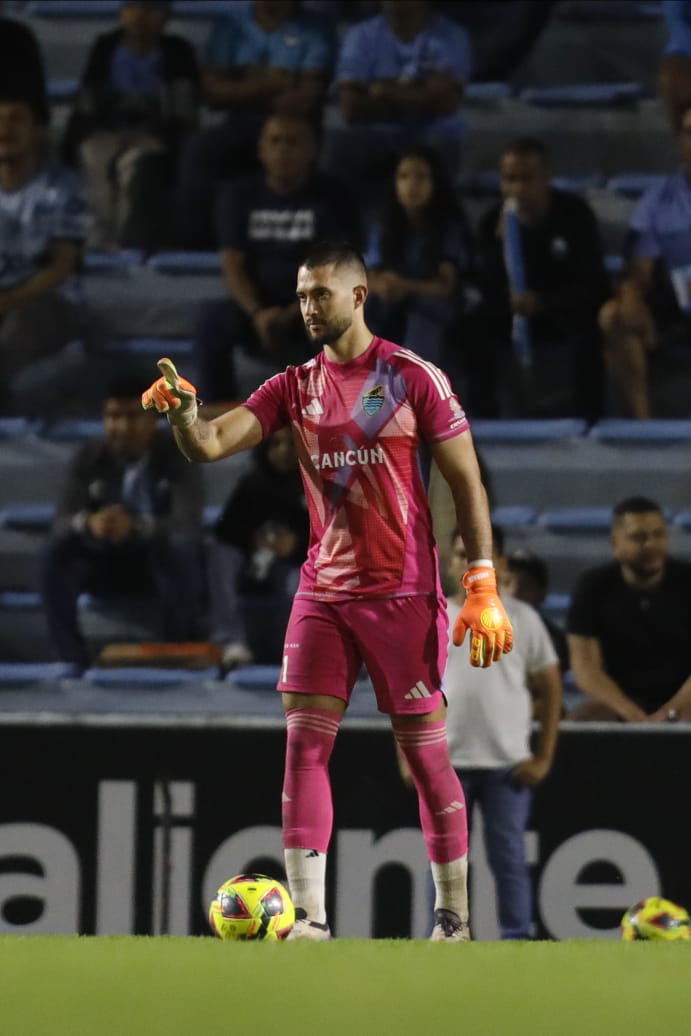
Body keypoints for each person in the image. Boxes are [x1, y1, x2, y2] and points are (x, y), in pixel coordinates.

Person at [142, 240, 513, 941]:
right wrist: (185, 416)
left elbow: (466, 480)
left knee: (426, 755)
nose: (307, 307)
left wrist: (481, 583)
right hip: (323, 595)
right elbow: (212, 444)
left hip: (403, 591)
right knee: (304, 747)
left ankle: (454, 918)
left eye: (320, 294)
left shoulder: (412, 377)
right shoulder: (292, 386)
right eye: (301, 295)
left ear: (358, 296)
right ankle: (308, 917)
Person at [400, 525, 561, 940]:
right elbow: (407, 690)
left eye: (479, 555)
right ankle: (444, 932)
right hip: (445, 762)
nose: (468, 563)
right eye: (461, 555)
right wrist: (407, 756)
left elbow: (551, 686)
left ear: (500, 564)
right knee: (443, 860)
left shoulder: (523, 619)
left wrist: (544, 756)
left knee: (508, 856)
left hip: (507, 764)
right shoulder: (432, 618)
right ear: (449, 563)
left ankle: (516, 938)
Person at [193, 113, 361, 405]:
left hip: (314, 305)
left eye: (293, 142)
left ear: (312, 151)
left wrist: (295, 312)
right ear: (261, 150)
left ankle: (332, 406)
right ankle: (218, 409)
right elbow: (233, 265)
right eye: (276, 141)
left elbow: (338, 268)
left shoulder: (335, 196)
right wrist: (258, 313)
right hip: (257, 306)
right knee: (212, 320)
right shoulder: (238, 196)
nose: (283, 149)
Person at [41, 378, 205, 672]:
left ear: (153, 421)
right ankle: (71, 658)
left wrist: (137, 526)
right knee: (56, 552)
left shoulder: (180, 454)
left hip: (156, 562)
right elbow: (62, 520)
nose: (121, 427)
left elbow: (187, 521)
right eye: (113, 417)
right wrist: (90, 523)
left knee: (181, 547)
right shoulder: (89, 456)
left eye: (131, 417)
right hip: (104, 561)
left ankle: (176, 649)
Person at [176, 0, 333, 250]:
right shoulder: (230, 24)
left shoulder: (315, 28)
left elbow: (306, 97)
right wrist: (273, 83)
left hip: (296, 123)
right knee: (198, 149)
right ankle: (199, 247)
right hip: (239, 122)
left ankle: (307, 246)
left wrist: (243, 84)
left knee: (299, 145)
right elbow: (213, 93)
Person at [477, 138, 610, 420]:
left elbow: (593, 283)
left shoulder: (574, 215)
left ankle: (591, 421)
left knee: (591, 332)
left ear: (545, 179)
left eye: (526, 178)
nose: (517, 189)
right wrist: (499, 248)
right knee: (470, 332)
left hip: (563, 312)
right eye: (510, 179)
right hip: (513, 315)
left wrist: (543, 302)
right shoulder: (492, 222)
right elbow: (485, 287)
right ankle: (481, 420)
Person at [61, 0, 199, 251]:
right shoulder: (105, 46)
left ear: (166, 16)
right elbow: (87, 102)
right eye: (132, 6)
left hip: (154, 134)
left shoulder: (178, 51)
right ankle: (99, 238)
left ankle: (127, 242)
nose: (140, 15)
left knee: (134, 167)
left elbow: (183, 112)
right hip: (107, 131)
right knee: (92, 156)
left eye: (150, 8)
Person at [598, 102, 691, 419]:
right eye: (690, 132)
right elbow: (639, 271)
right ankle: (644, 426)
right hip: (675, 311)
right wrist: (631, 295)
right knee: (614, 316)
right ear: (680, 139)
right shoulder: (657, 201)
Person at [323, 0, 471, 198]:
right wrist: (420, 94)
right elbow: (351, 107)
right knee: (340, 147)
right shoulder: (360, 35)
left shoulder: (452, 35)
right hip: (374, 134)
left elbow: (446, 103)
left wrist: (382, 90)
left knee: (441, 143)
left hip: (432, 133)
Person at [0, 94, 88, 417]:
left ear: (39, 131)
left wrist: (8, 300)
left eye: (16, 119)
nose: (5, 128)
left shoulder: (64, 186)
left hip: (51, 303)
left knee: (18, 328)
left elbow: (61, 266)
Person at [566, 496, 691, 722]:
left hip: (683, 700)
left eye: (658, 535)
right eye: (638, 537)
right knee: (577, 722)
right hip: (620, 700)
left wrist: (669, 713)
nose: (650, 544)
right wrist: (631, 714)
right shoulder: (593, 586)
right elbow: (585, 668)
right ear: (615, 544)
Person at [207, 426, 309, 669]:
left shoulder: (318, 484)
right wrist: (253, 539)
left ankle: (294, 649)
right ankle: (231, 641)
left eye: (291, 444)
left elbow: (334, 538)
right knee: (220, 556)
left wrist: (296, 546)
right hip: (253, 562)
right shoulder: (253, 483)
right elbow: (225, 531)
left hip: (296, 564)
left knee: (297, 582)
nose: (283, 451)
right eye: (276, 444)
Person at [364, 146, 474, 369]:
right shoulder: (383, 225)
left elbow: (445, 286)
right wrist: (383, 286)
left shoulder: (449, 227)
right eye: (404, 177)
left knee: (424, 314)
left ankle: (416, 384)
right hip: (392, 299)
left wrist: (403, 286)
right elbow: (370, 276)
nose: (412, 185)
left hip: (431, 303)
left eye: (421, 177)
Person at [505, 548, 569, 674]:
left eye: (525, 586)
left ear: (542, 593)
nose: (515, 592)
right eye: (506, 583)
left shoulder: (553, 640)